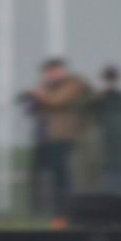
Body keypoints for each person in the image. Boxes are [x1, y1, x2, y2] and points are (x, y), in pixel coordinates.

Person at [24, 57, 92, 217]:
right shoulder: (47, 88)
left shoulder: (73, 85)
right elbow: (33, 109)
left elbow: (58, 101)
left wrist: (40, 94)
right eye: (48, 72)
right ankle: (40, 211)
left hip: (62, 138)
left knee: (60, 176)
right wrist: (34, 99)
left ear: (62, 71)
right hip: (43, 139)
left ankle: (63, 211)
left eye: (54, 71)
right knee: (38, 176)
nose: (51, 75)